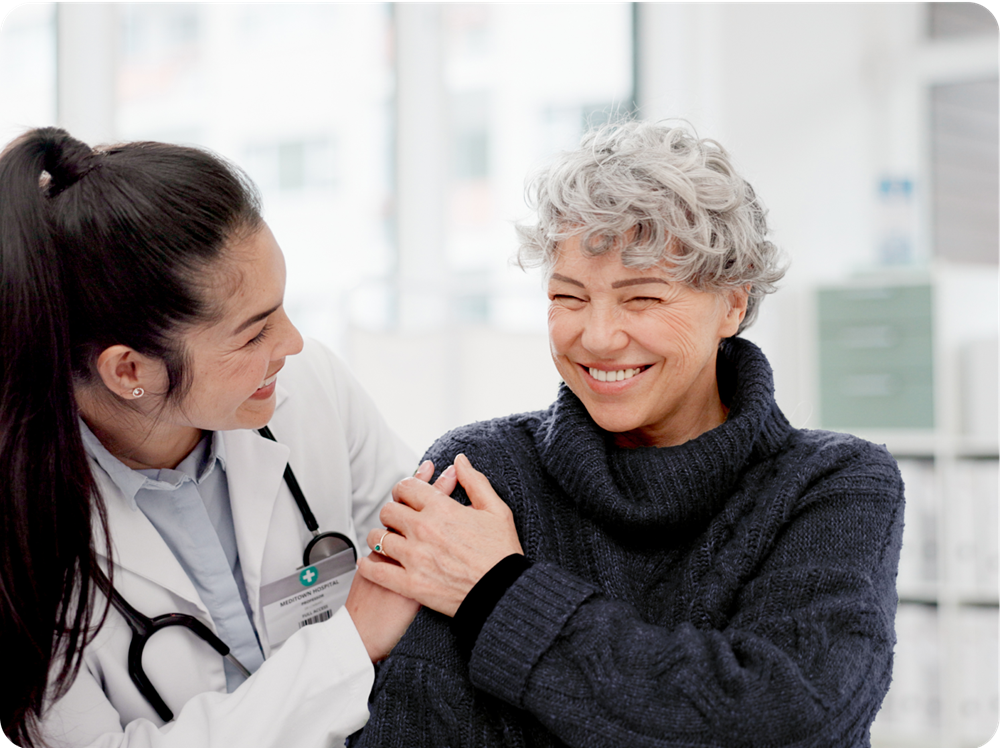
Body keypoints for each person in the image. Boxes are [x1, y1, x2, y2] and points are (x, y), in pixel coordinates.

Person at [349, 121, 905, 747]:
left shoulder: (834, 484)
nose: (598, 337)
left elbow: (791, 721)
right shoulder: (482, 471)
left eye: (641, 299)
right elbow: (415, 730)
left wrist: (498, 594)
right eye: (569, 297)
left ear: (732, 303)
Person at [0, 127, 444, 748]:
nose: (293, 343)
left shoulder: (310, 390)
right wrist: (347, 647)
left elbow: (425, 577)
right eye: (253, 333)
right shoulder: (18, 528)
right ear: (129, 371)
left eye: (282, 308)